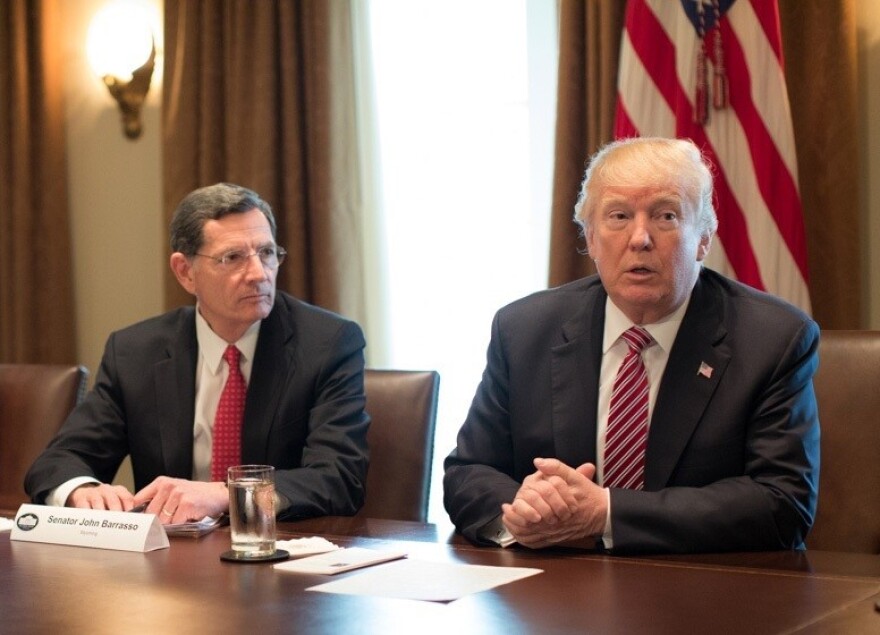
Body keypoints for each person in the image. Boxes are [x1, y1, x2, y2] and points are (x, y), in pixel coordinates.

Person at [443, 137, 820, 554]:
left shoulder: (773, 339)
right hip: (556, 590)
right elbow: (469, 470)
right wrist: (524, 510)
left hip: (708, 593)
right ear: (590, 238)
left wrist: (606, 513)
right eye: (619, 216)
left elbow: (782, 502)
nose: (640, 238)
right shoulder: (524, 330)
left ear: (704, 239)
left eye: (666, 216)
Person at [25, 183, 369, 524]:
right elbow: (60, 459)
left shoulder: (328, 344)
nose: (258, 274)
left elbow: (338, 478)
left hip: (277, 554)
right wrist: (81, 490)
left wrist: (225, 494)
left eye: (266, 253)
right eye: (233, 257)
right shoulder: (135, 353)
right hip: (168, 561)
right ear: (186, 272)